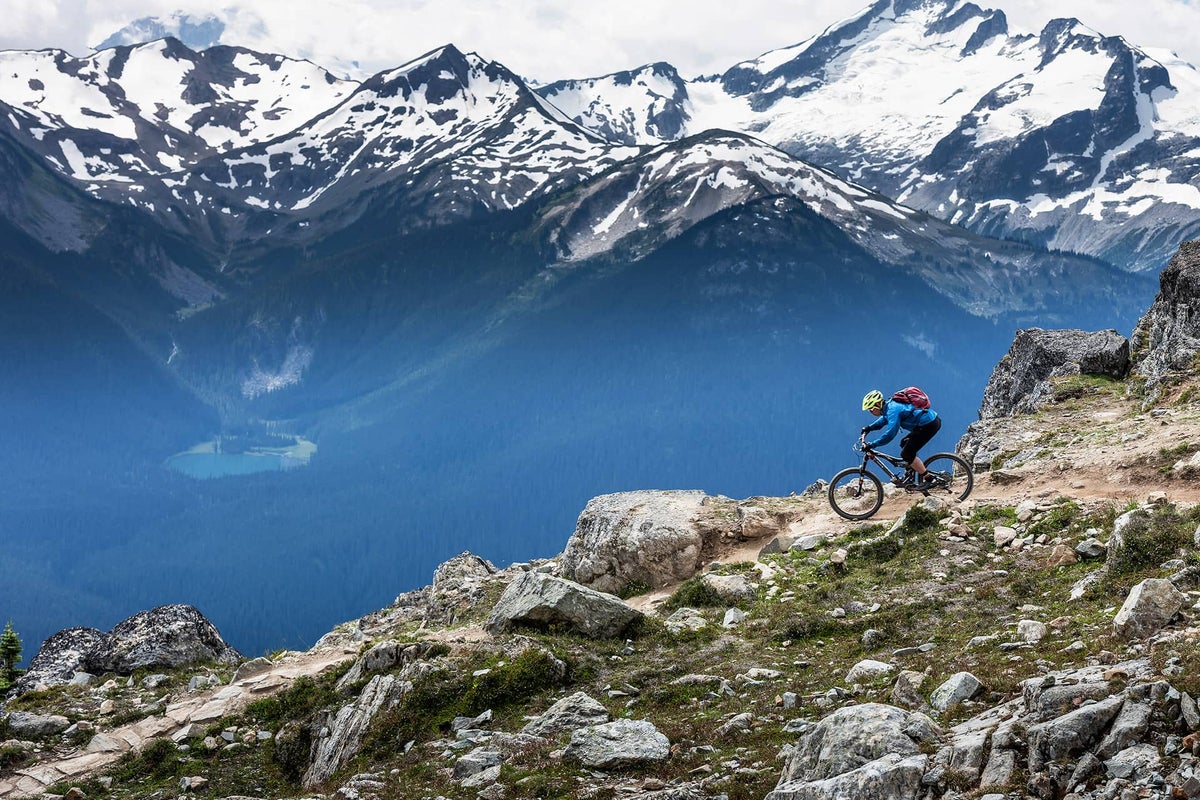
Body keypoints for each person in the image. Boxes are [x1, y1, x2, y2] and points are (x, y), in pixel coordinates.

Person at [859, 389, 941, 489]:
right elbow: (885, 419)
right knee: (904, 443)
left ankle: (929, 479)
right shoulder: (889, 407)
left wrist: (872, 444)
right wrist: (869, 427)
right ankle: (909, 475)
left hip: (929, 425)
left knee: (906, 453)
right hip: (925, 424)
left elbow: (890, 434)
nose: (870, 412)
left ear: (877, 405)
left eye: (870, 409)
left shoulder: (893, 409)